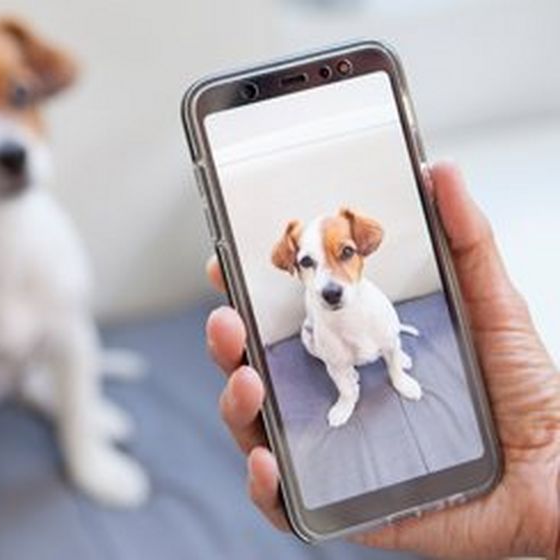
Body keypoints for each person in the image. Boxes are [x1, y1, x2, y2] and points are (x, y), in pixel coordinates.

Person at [204, 162, 560, 558]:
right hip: (328, 339)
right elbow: (334, 362)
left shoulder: (376, 300)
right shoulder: (317, 310)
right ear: (294, 265)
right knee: (326, 354)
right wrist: (346, 395)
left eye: (345, 254)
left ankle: (394, 370)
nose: (330, 282)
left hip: (379, 332)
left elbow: (389, 343)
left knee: (392, 343)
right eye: (308, 263)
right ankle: (349, 394)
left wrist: (396, 365)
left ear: (362, 249)